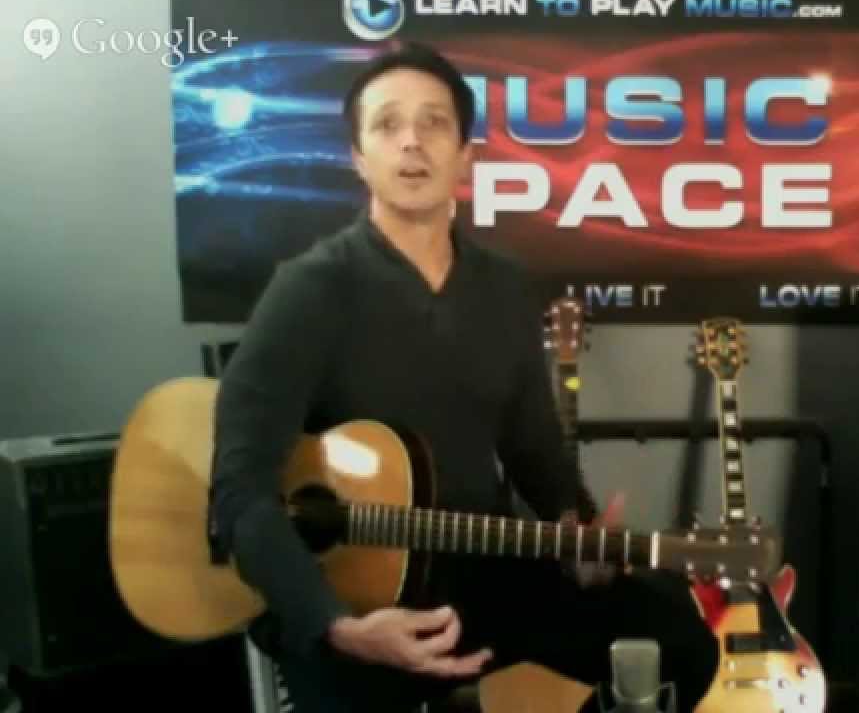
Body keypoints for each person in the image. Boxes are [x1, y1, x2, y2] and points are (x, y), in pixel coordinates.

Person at [207, 41, 719, 712]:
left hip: (485, 574)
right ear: (359, 157)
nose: (412, 142)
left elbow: (536, 454)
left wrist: (582, 535)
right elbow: (239, 493)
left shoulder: (503, 288)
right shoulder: (308, 290)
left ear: (465, 156)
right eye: (387, 125)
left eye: (434, 123)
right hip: (351, 599)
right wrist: (337, 624)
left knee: (682, 642)